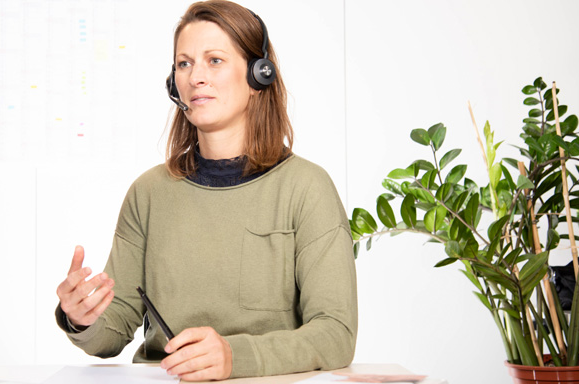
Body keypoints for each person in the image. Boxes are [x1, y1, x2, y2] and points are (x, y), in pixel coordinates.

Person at [55, 0, 357, 380]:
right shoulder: (147, 194)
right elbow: (115, 328)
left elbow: (335, 334)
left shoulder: (307, 189)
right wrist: (82, 318)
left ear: (258, 76)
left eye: (214, 60)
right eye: (184, 63)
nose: (196, 76)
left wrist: (236, 356)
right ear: (173, 84)